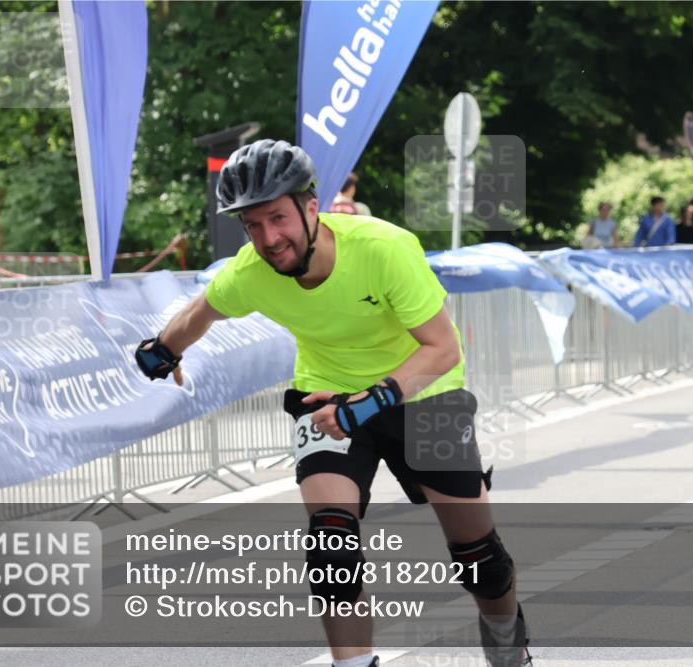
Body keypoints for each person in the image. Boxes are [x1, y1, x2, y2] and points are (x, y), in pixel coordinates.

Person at [134, 139, 532, 667]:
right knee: (331, 547)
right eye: (252, 225)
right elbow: (203, 310)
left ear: (311, 207)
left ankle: (507, 642)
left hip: (427, 394)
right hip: (327, 397)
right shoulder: (252, 269)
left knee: (478, 558)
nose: (268, 238)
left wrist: (369, 402)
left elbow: (442, 348)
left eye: (278, 218)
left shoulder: (383, 249)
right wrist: (162, 350)